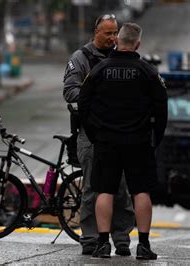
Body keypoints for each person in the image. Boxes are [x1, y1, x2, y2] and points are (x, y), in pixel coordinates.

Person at [78, 22, 167, 260]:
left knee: (104, 191)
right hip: (138, 142)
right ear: (138, 44)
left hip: (106, 141)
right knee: (141, 192)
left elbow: (83, 104)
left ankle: (103, 243)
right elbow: (162, 108)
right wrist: (155, 138)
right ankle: (144, 245)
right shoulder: (149, 72)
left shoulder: (99, 70)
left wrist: (95, 133)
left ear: (117, 40)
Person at [62, 14, 135, 256]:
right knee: (93, 186)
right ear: (95, 32)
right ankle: (91, 239)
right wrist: (98, 93)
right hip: (91, 133)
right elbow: (70, 92)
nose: (113, 38)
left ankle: (121, 239)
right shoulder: (81, 58)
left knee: (122, 187)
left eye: (115, 33)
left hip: (120, 133)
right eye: (108, 33)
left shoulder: (123, 57)